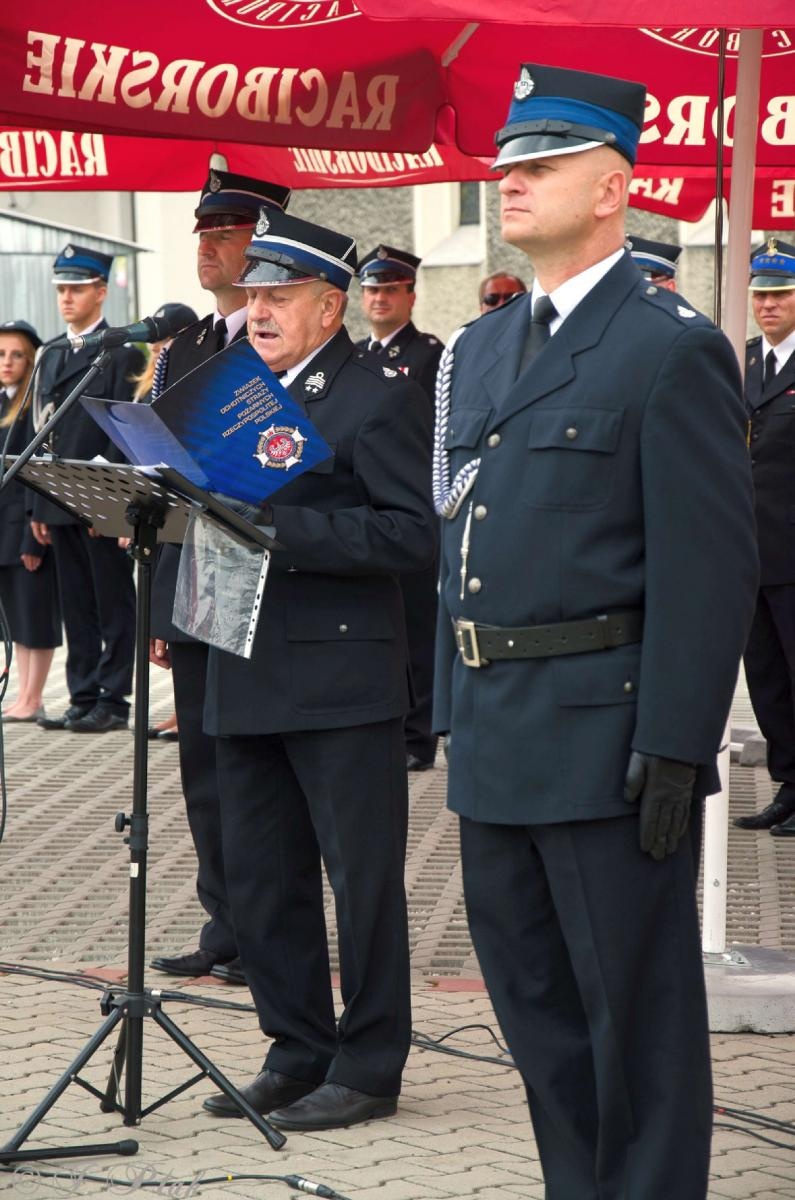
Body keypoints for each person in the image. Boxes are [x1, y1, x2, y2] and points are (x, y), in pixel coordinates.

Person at [433, 63, 758, 1199]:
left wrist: (677, 745)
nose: (509, 183)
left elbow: (710, 567)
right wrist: (446, 713)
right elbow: (459, 537)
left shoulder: (668, 345)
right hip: (497, 736)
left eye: (541, 164)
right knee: (537, 1015)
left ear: (614, 184)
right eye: (505, 165)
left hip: (605, 743)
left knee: (636, 1022)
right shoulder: (478, 348)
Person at [200, 209, 437, 1131]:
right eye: (251, 294)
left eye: (277, 295)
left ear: (329, 304)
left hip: (340, 680)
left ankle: (370, 1063)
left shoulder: (376, 394)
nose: (256, 310)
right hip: (241, 658)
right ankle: (295, 1049)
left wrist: (277, 528)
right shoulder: (236, 392)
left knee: (361, 880)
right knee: (261, 877)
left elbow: (412, 533)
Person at [148, 172, 290, 987]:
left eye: (228, 228)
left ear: (264, 240)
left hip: (269, 585)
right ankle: (225, 925)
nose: (208, 242)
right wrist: (167, 601)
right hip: (197, 584)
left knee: (260, 773)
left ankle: (273, 929)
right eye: (203, 228)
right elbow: (169, 485)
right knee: (202, 768)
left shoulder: (279, 339)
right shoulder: (187, 346)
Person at [31, 245, 144, 734]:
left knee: (112, 601)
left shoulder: (121, 352)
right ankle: (81, 694)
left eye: (77, 288)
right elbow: (38, 432)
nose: (67, 297)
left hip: (100, 496)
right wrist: (38, 501)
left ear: (101, 291)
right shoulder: (53, 352)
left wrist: (114, 502)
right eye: (61, 289)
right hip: (58, 497)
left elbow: (126, 432)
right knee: (75, 603)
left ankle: (114, 698)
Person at [356, 244, 442, 770]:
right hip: (369, 509)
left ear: (410, 294)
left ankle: (419, 735)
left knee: (416, 624)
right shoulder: (359, 358)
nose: (379, 298)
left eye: (390, 288)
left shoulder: (430, 354)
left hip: (411, 506)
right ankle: (390, 727)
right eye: (371, 289)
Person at [735, 239, 795, 837]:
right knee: (768, 680)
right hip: (751, 554)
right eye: (760, 294)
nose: (768, 304)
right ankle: (788, 782)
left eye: (780, 293)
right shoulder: (743, 360)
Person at [0, 320, 61, 722]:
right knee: (15, 617)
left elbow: (36, 473)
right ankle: (23, 694)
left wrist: (32, 538)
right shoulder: (2, 401)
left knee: (34, 614)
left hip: (22, 528)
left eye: (16, 354)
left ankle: (34, 696)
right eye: (1, 354)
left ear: (31, 359)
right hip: (0, 531)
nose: (6, 362)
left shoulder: (32, 408)